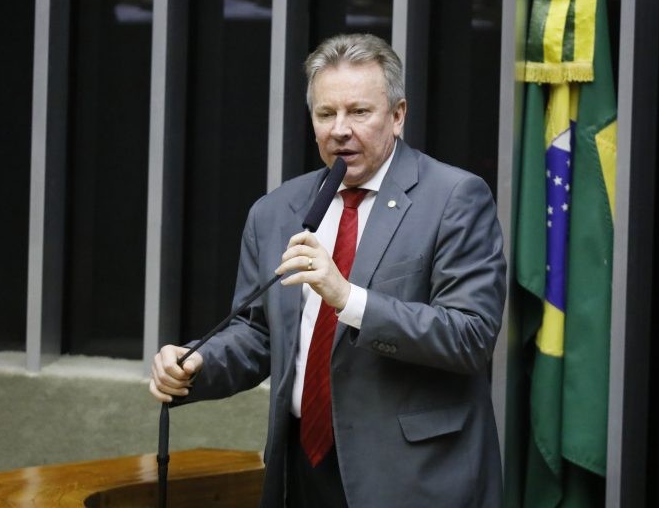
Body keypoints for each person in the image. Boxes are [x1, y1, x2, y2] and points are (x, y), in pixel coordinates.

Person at [150, 33, 506, 508]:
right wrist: (198, 363)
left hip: (412, 477)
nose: (340, 130)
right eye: (326, 114)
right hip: (302, 471)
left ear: (397, 115)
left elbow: (471, 336)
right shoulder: (276, 211)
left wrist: (348, 298)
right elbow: (258, 333)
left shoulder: (454, 198)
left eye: (359, 112)